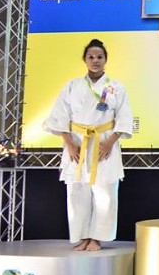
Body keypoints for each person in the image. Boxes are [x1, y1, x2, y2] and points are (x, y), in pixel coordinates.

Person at [44, 39, 133, 251]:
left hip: (104, 142)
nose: (95, 61)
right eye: (91, 57)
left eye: (99, 57)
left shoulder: (116, 87)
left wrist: (109, 143)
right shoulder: (72, 86)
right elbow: (59, 116)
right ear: (84, 60)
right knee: (77, 190)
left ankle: (97, 238)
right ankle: (82, 236)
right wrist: (69, 144)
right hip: (77, 142)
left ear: (106, 60)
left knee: (105, 191)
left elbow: (124, 117)